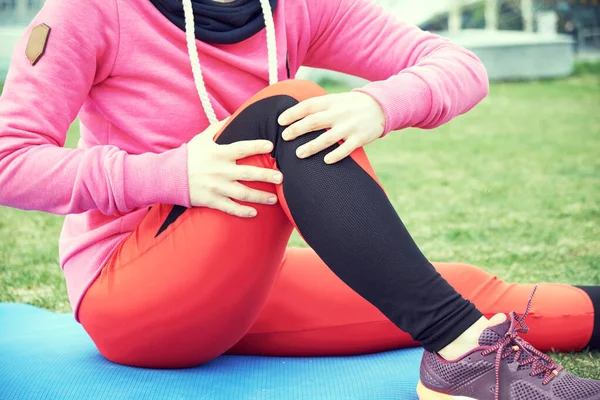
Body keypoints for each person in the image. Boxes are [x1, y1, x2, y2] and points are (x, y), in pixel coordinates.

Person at [0, 0, 598, 399]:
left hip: (238, 281)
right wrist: (171, 174)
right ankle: (462, 351)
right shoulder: (89, 11)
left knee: (468, 286)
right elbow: (11, 160)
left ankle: (475, 332)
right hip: (128, 293)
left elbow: (459, 66)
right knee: (287, 108)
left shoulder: (296, 7)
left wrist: (378, 105)